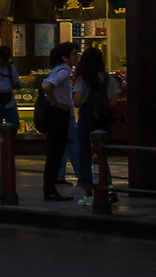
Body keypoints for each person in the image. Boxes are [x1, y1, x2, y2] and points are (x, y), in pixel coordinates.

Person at [39, 41, 80, 200]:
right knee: (55, 152)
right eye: (74, 54)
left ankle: (50, 188)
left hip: (56, 114)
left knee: (54, 153)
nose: (76, 57)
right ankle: (50, 190)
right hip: (59, 115)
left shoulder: (57, 70)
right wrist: (57, 103)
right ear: (65, 57)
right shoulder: (63, 71)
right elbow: (47, 87)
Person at [74, 46, 114, 206]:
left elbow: (77, 100)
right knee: (101, 155)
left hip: (86, 119)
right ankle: (108, 188)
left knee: (84, 155)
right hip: (102, 120)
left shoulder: (82, 79)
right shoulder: (108, 78)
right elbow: (113, 100)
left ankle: (89, 192)